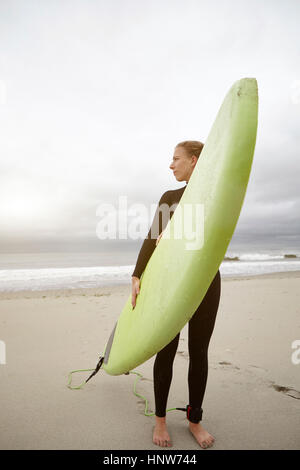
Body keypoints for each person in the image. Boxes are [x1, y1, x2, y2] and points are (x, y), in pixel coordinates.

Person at [131, 141, 221, 449]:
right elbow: (152, 236)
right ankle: (159, 420)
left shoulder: (214, 196)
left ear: (194, 160)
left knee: (199, 352)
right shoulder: (170, 198)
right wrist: (136, 274)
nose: (171, 165)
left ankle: (194, 420)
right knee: (166, 349)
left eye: (176, 159)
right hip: (171, 282)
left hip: (206, 282)